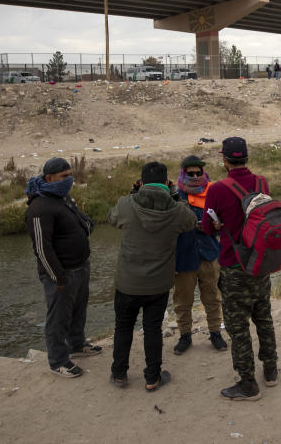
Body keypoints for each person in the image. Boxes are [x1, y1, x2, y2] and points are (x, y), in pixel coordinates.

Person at [107, 161, 196, 391]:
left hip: (127, 282)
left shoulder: (127, 204)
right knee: (153, 329)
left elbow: (112, 218)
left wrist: (133, 193)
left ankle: (119, 374)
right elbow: (191, 221)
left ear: (141, 182)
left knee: (123, 327)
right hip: (158, 284)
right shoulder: (176, 210)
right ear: (167, 182)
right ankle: (152, 378)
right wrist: (175, 195)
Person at [202, 137, 278, 401]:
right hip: (260, 262)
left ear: (224, 159)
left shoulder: (217, 189)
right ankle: (271, 371)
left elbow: (207, 227)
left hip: (234, 266)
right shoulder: (262, 183)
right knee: (263, 317)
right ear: (246, 157)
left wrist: (220, 225)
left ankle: (248, 385)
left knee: (238, 328)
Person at [25, 157, 99, 378]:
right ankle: (58, 360)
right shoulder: (39, 207)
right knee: (58, 317)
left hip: (80, 266)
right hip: (61, 273)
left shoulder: (62, 198)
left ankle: (77, 344)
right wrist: (57, 277)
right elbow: (42, 247)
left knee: (78, 309)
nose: (69, 180)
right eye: (64, 176)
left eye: (70, 175)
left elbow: (80, 221)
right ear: (49, 178)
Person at [172, 155, 228, 355]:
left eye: (198, 172)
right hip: (184, 257)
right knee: (182, 300)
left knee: (212, 298)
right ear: (183, 173)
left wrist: (214, 228)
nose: (195, 176)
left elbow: (223, 224)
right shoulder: (175, 196)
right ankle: (184, 336)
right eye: (191, 173)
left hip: (209, 254)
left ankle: (215, 333)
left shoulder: (213, 193)